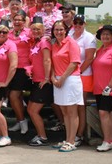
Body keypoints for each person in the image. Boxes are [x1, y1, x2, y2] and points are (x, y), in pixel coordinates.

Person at [51, 20, 83, 152]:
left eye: (61, 29)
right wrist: (53, 77)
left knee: (72, 112)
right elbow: (53, 63)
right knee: (64, 112)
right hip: (58, 80)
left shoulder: (71, 43)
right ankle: (67, 139)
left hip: (70, 80)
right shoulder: (55, 45)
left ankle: (72, 141)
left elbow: (74, 63)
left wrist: (62, 79)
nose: (58, 32)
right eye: (56, 29)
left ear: (66, 30)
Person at [70, 14, 96, 147]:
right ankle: (71, 132)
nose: (78, 25)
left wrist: (78, 72)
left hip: (83, 74)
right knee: (71, 105)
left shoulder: (89, 37)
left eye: (81, 23)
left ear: (85, 24)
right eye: (76, 22)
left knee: (80, 106)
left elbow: (89, 58)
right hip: (71, 74)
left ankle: (80, 134)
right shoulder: (70, 34)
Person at [26, 16, 52, 146]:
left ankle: (43, 137)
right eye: (33, 29)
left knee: (33, 111)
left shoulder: (44, 42)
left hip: (43, 82)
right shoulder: (35, 43)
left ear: (43, 30)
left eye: (38, 29)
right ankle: (40, 134)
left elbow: (47, 60)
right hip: (36, 81)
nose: (35, 31)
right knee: (30, 109)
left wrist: (47, 78)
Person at [7, 11, 32, 135]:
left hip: (24, 68)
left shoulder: (29, 33)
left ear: (24, 21)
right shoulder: (9, 33)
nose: (17, 22)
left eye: (20, 20)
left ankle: (23, 121)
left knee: (14, 96)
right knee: (16, 97)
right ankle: (19, 119)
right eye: (15, 19)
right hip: (11, 68)